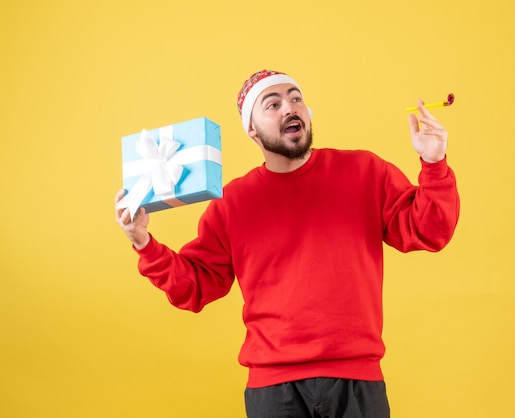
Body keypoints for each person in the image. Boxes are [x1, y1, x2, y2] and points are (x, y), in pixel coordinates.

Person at [115, 69, 460, 418]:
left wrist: (433, 164)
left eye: (296, 99)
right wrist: (144, 243)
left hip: (356, 381)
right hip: (273, 391)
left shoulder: (365, 171)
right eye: (273, 104)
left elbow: (428, 230)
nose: (289, 108)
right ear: (252, 129)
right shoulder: (232, 202)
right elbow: (196, 285)